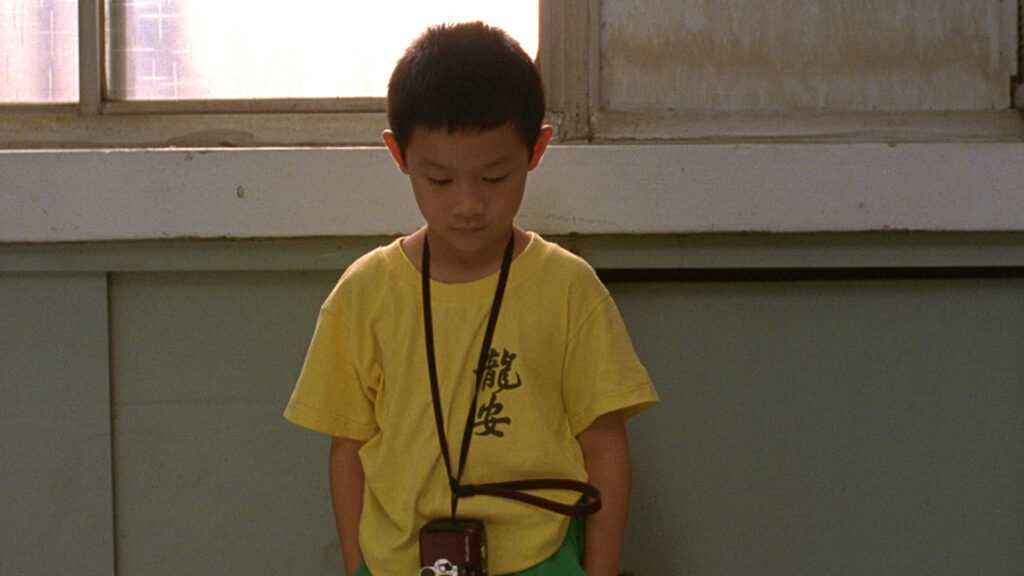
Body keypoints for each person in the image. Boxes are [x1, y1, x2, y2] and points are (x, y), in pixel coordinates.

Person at [284, 21, 658, 576]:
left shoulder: (569, 290)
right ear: (399, 155)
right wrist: (356, 566)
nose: (467, 205)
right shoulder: (364, 294)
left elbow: (605, 446)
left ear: (537, 150)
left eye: (494, 177)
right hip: (400, 564)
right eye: (439, 180)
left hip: (539, 560)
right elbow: (348, 451)